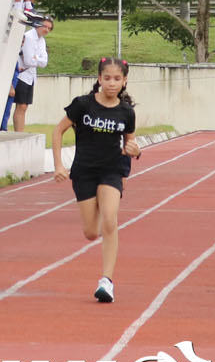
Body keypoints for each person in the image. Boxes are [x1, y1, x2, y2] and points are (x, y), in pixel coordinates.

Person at [51, 57, 140, 303]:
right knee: (91, 232)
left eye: (117, 79)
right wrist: (58, 164)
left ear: (124, 82)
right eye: (107, 78)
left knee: (111, 220)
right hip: (84, 171)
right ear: (99, 79)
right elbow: (58, 131)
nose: (112, 83)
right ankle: (100, 212)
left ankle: (106, 281)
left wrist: (135, 150)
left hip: (112, 170)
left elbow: (129, 143)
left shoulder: (126, 112)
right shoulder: (83, 105)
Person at [9, 18, 51, 132]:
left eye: (49, 28)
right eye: (45, 26)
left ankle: (20, 132)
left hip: (31, 76)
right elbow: (28, 60)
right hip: (22, 75)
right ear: (38, 25)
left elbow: (44, 62)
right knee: (21, 105)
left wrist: (35, 58)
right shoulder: (29, 37)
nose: (46, 30)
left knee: (25, 106)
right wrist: (37, 59)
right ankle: (19, 132)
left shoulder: (42, 40)